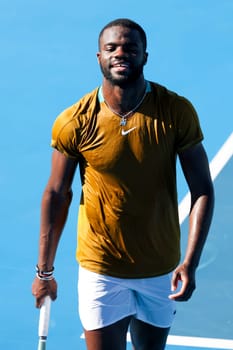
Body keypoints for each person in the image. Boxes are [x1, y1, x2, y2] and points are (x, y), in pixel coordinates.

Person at [32, 18, 214, 350]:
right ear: (98, 56)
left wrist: (190, 262)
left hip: (160, 268)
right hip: (101, 269)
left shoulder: (176, 112)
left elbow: (202, 189)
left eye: (130, 48)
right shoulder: (75, 121)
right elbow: (57, 193)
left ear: (145, 56)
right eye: (111, 48)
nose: (120, 54)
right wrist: (45, 273)